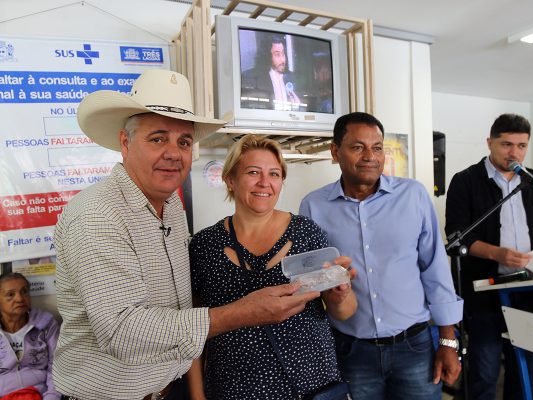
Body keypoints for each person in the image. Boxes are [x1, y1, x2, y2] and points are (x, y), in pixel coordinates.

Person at [53, 69, 321, 400]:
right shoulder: (98, 215)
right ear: (125, 142)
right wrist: (241, 312)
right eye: (157, 138)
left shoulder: (172, 208)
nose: (173, 153)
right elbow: (122, 332)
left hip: (171, 388)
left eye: (184, 142)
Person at [300, 112, 463, 400]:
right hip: (352, 351)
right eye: (357, 147)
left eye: (377, 148)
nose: (370, 157)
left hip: (414, 347)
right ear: (335, 152)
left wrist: (448, 341)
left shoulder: (413, 196)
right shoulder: (314, 206)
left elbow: (435, 269)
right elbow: (311, 283)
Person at [187, 134, 356, 399]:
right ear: (230, 179)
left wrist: (340, 296)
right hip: (234, 390)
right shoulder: (204, 245)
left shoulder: (306, 233)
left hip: (310, 386)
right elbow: (192, 331)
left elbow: (344, 311)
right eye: (253, 172)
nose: (264, 182)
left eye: (274, 174)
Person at [445, 113, 533, 400]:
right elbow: (458, 236)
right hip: (485, 294)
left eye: (522, 146)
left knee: (527, 373)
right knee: (484, 373)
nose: (514, 153)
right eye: (506, 144)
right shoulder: (466, 181)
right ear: (489, 142)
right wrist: (497, 253)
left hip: (530, 291)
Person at [0, 272, 60, 400]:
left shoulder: (46, 324)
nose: (20, 298)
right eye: (10, 294)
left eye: (24, 291)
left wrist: (51, 397)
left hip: (40, 394)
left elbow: (57, 366)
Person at [241, 35, 302, 111]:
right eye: (277, 55)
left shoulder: (291, 77)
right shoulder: (253, 78)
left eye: (283, 54)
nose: (282, 60)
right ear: (268, 56)